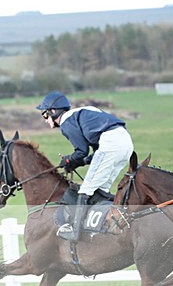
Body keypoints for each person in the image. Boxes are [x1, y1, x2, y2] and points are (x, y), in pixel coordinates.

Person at [36, 91, 133, 242]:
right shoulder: (80, 114)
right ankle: (107, 223)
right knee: (100, 189)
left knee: (86, 190)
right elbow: (93, 155)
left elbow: (81, 151)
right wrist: (78, 161)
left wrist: (69, 161)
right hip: (125, 143)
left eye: (44, 115)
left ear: (53, 111)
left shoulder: (66, 121)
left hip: (111, 143)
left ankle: (75, 231)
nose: (45, 120)